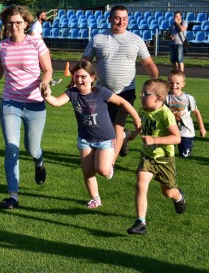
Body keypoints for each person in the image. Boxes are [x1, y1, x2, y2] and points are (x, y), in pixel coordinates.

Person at [0, 5, 53, 210]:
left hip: (34, 104)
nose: (14, 26)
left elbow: (48, 69)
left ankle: (39, 163)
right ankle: (13, 195)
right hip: (10, 103)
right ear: (6, 24)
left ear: (25, 23)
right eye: (10, 23)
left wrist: (45, 83)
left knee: (32, 148)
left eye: (18, 22)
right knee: (11, 149)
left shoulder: (36, 44)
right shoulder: (3, 46)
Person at [41, 60, 141, 208]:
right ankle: (95, 199)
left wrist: (136, 118)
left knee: (102, 170)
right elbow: (56, 102)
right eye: (76, 76)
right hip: (85, 139)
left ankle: (111, 163)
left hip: (105, 138)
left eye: (83, 76)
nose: (79, 79)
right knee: (88, 171)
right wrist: (46, 94)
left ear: (92, 78)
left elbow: (123, 102)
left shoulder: (101, 92)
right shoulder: (72, 93)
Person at [82, 4, 158, 163]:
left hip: (126, 92)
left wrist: (156, 81)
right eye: (117, 18)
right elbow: (85, 62)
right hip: (102, 92)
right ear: (109, 19)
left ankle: (110, 163)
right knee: (105, 128)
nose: (121, 22)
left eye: (124, 19)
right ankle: (122, 137)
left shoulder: (136, 40)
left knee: (117, 126)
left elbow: (148, 63)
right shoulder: (97, 39)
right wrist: (77, 79)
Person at [127, 78, 185, 235]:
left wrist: (155, 140)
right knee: (141, 184)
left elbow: (176, 138)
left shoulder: (166, 114)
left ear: (158, 98)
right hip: (147, 157)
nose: (141, 96)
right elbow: (143, 125)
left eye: (145, 93)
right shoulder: (144, 110)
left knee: (167, 192)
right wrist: (133, 134)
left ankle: (178, 197)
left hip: (164, 160)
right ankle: (140, 222)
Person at [165, 70, 206, 158]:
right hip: (171, 130)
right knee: (167, 155)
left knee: (184, 156)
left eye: (177, 83)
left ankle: (188, 145)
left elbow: (196, 112)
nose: (174, 86)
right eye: (171, 83)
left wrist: (202, 128)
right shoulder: (166, 97)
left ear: (183, 84)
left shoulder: (188, 98)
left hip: (186, 131)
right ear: (168, 83)